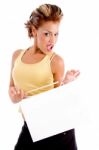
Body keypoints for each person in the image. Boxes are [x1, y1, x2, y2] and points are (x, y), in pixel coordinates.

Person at [9, 3, 80, 150]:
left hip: (56, 130)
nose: (52, 40)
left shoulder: (56, 61)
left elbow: (59, 104)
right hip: (31, 126)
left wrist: (66, 85)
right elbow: (11, 89)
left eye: (56, 34)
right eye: (47, 34)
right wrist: (15, 98)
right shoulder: (17, 56)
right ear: (34, 31)